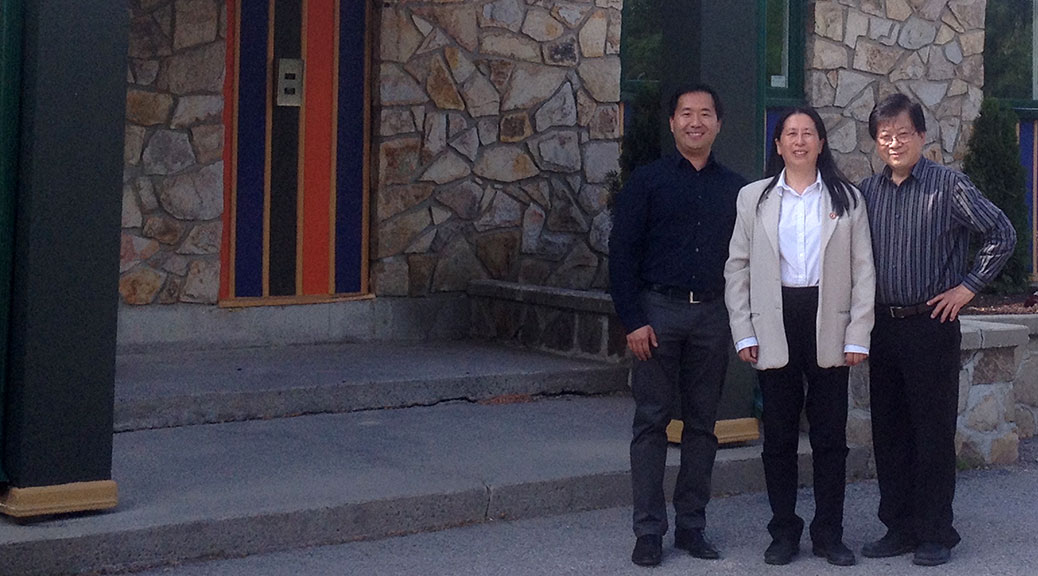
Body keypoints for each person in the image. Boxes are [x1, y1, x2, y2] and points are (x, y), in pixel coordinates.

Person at [859, 93, 1016, 567]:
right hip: (883, 327)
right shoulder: (867, 192)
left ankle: (935, 532)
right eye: (885, 135)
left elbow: (1002, 233)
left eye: (903, 134)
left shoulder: (949, 186)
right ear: (876, 141)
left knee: (931, 433)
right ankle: (898, 527)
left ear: (922, 136)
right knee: (889, 433)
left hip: (931, 324)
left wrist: (967, 288)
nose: (894, 143)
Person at [724, 107, 875, 567]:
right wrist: (743, 330)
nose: (800, 140)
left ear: (821, 142)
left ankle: (829, 533)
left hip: (829, 321)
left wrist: (858, 334)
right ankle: (783, 531)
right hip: (775, 320)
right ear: (778, 144)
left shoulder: (847, 198)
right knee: (779, 437)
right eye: (791, 133)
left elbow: (864, 270)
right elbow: (738, 267)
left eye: (809, 133)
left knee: (829, 437)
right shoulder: (754, 198)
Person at [609, 84, 747, 567]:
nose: (695, 122)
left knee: (703, 426)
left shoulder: (737, 189)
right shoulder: (647, 182)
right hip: (657, 313)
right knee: (650, 422)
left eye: (705, 113)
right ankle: (648, 531)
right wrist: (633, 320)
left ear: (718, 124)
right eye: (686, 113)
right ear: (672, 123)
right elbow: (621, 254)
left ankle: (692, 525)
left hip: (712, 315)